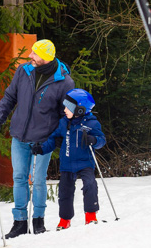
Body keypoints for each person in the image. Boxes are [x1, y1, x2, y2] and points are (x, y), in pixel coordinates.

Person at [0, 39, 74, 237]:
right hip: (19, 135)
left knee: (38, 180)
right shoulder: (24, 71)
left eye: (34, 54)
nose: (30, 56)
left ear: (45, 57)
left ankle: (38, 220)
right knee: (19, 178)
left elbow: (66, 113)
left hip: (43, 139)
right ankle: (19, 222)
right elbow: (10, 97)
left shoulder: (64, 81)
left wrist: (54, 137)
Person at [32, 88, 105, 231]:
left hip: (85, 163)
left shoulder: (91, 123)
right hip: (67, 163)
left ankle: (91, 215)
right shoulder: (63, 123)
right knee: (65, 191)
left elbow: (102, 140)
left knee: (90, 185)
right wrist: (41, 148)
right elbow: (52, 140)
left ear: (79, 110)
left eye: (68, 107)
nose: (65, 109)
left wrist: (94, 140)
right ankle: (64, 220)